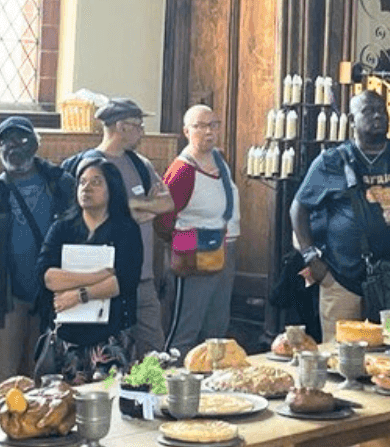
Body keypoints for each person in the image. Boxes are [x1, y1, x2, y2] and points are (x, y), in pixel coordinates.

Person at [290, 90, 390, 324]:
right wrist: (310, 256)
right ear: (352, 120)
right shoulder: (332, 161)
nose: (378, 116)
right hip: (342, 279)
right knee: (341, 351)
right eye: (368, 111)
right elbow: (298, 208)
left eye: (382, 110)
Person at [0, 116, 75, 381]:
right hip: (6, 294)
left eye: (21, 139)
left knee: (45, 372)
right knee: (2, 373)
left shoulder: (61, 184)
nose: (14, 146)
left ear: (36, 144)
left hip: (52, 294)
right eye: (6, 141)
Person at [59, 99, 172, 357]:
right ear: (121, 126)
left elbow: (167, 203)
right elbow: (96, 211)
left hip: (142, 279)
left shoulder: (140, 165)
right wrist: (137, 209)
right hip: (101, 280)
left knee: (154, 354)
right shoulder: (90, 166)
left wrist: (135, 206)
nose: (142, 132)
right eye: (138, 126)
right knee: (103, 356)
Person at [39, 156, 145, 371]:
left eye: (96, 182)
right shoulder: (62, 227)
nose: (87, 188)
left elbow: (123, 282)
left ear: (111, 189)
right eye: (83, 182)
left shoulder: (126, 229)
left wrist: (77, 295)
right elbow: (48, 276)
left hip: (111, 335)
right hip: (68, 335)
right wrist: (98, 277)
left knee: (109, 398)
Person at [160, 105, 241, 352]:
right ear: (186, 131)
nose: (209, 131)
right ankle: (170, 379)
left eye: (214, 125)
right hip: (194, 249)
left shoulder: (219, 159)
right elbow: (164, 219)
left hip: (225, 248)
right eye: (201, 126)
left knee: (216, 326)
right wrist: (183, 245)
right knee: (187, 325)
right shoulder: (182, 170)